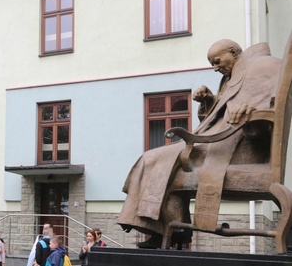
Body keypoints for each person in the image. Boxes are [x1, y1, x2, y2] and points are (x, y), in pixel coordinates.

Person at [119, 39, 282, 247]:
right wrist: (208, 100)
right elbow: (217, 118)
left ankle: (170, 231)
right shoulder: (233, 76)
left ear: (233, 52)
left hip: (234, 150)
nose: (215, 68)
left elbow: (264, 109)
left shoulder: (264, 66)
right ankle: (170, 231)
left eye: (217, 61)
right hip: (219, 144)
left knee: (154, 159)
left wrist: (249, 109)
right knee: (158, 161)